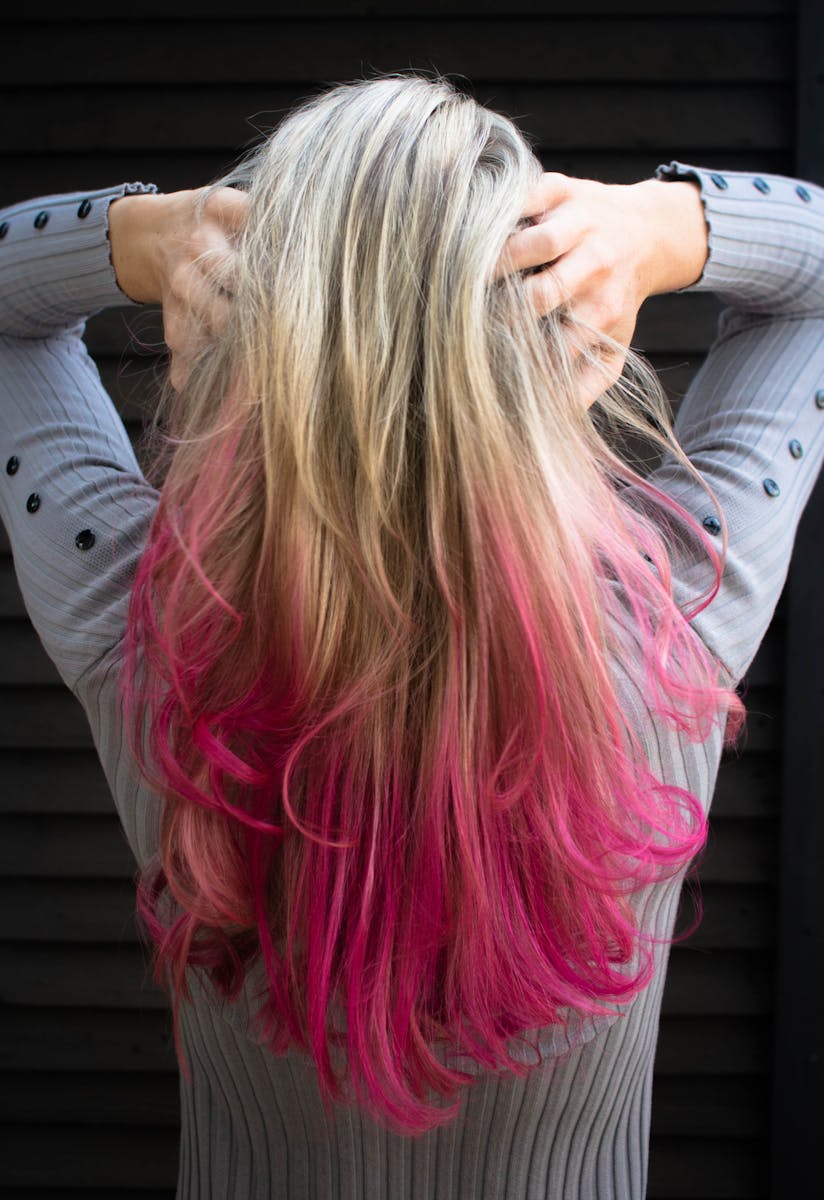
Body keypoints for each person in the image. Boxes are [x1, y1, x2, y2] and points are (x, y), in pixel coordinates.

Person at [0, 71, 821, 1199]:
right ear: (549, 342)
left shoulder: (140, 614)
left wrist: (140, 238)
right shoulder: (672, 606)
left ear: (258, 341)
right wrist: (661, 227)